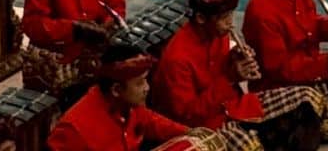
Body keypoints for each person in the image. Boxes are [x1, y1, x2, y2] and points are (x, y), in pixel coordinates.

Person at [156, 0, 328, 151]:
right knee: (249, 146)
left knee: (310, 98)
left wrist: (236, 58)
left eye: (231, 14)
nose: (230, 22)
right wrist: (230, 79)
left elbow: (221, 68)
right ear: (201, 18)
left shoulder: (218, 34)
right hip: (209, 124)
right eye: (224, 17)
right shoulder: (178, 58)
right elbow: (188, 115)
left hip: (237, 106)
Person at [47, 47, 233, 151]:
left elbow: (151, 121)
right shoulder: (75, 130)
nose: (147, 88)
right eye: (140, 83)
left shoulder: (128, 105)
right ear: (116, 89)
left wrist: (192, 134)